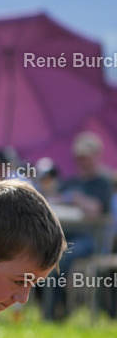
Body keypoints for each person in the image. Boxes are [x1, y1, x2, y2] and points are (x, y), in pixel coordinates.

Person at [40, 133, 114, 320]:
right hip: (66, 235)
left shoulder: (103, 182)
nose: (83, 161)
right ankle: (49, 309)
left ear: (97, 155)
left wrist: (75, 199)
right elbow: (53, 202)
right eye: (80, 157)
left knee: (61, 259)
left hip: (91, 239)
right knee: (42, 254)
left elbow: (96, 208)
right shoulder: (71, 181)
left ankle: (57, 311)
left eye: (86, 156)